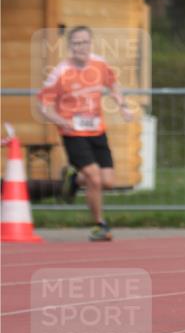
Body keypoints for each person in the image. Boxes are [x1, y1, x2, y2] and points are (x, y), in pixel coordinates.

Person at [37, 25, 132, 241]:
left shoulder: (100, 64)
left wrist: (123, 106)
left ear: (91, 43)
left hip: (97, 131)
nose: (81, 47)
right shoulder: (60, 72)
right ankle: (100, 225)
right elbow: (43, 106)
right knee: (95, 178)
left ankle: (74, 179)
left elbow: (114, 85)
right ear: (70, 46)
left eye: (85, 42)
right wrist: (61, 121)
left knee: (108, 181)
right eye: (77, 43)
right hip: (73, 134)